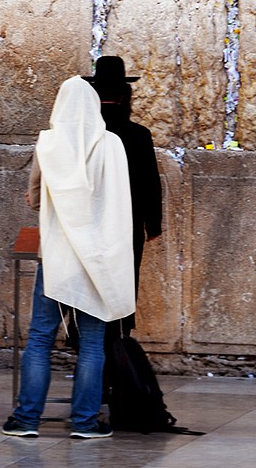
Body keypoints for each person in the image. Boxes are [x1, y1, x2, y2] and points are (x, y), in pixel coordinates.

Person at [3, 76, 135, 441]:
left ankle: (26, 418)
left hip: (59, 256)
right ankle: (85, 422)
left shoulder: (49, 145)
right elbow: (119, 203)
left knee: (40, 338)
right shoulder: (112, 145)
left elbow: (33, 198)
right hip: (97, 258)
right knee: (92, 343)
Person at [87, 55, 162, 332]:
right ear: (124, 94)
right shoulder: (138, 135)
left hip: (87, 222)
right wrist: (153, 224)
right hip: (127, 224)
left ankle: (87, 351)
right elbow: (150, 182)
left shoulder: (84, 133)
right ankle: (118, 343)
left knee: (87, 288)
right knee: (123, 283)